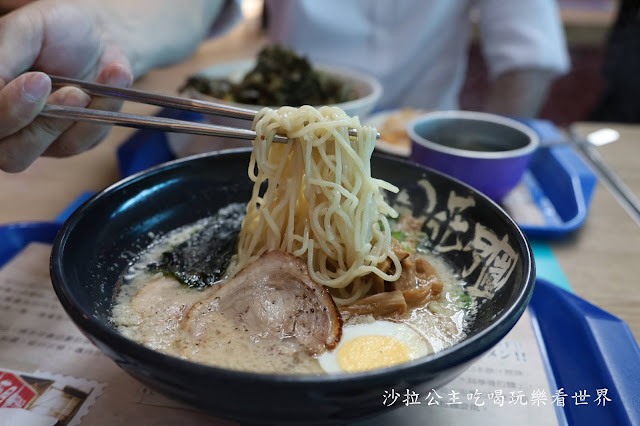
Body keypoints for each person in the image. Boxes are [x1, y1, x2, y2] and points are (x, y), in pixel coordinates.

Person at [0, 0, 568, 173]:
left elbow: (528, 54)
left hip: (410, 147)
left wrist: (484, 154)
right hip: (262, 142)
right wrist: (105, 35)